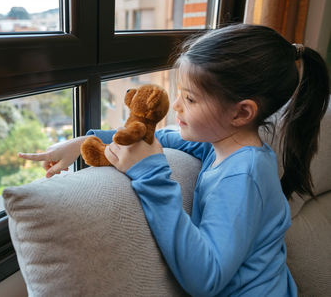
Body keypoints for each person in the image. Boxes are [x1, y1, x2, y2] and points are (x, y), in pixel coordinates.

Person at [18, 23, 330, 296]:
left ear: (241, 112)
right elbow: (161, 136)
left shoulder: (243, 175)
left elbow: (206, 279)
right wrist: (84, 142)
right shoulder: (222, 146)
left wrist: (150, 175)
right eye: (179, 93)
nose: (176, 106)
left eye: (191, 98)